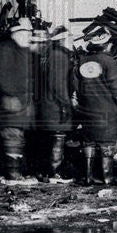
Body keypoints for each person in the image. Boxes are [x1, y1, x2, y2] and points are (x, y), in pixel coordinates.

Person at [72, 28, 117, 185]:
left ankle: (88, 177)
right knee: (106, 145)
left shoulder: (82, 61)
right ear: (106, 45)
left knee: (88, 143)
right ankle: (107, 177)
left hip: (87, 110)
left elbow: (76, 85)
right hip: (107, 111)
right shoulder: (108, 61)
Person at [0, 17, 36, 182]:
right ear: (15, 34)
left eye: (29, 33)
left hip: (22, 102)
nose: (28, 36)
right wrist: (11, 95)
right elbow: (3, 78)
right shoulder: (6, 50)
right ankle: (13, 175)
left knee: (18, 138)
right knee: (12, 137)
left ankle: (17, 173)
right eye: (26, 33)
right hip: (11, 102)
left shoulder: (23, 51)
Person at [34, 27, 76, 183]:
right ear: (63, 39)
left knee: (47, 139)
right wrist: (65, 105)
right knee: (58, 137)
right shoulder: (59, 57)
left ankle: (44, 173)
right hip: (55, 105)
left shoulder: (48, 55)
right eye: (70, 36)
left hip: (45, 104)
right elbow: (57, 84)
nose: (72, 39)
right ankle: (55, 173)